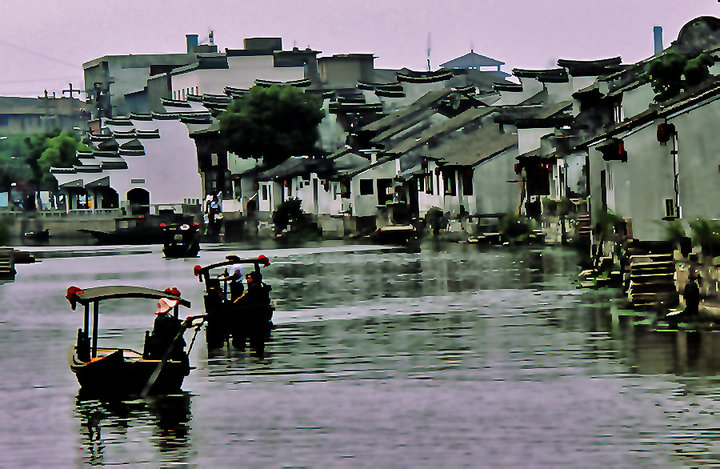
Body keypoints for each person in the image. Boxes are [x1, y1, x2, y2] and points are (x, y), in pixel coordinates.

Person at [230, 271, 273, 351]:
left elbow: (242, 301)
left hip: (253, 316)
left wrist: (235, 303)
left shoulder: (254, 289)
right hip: (259, 316)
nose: (247, 280)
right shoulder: (261, 287)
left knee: (251, 340)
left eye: (249, 278)